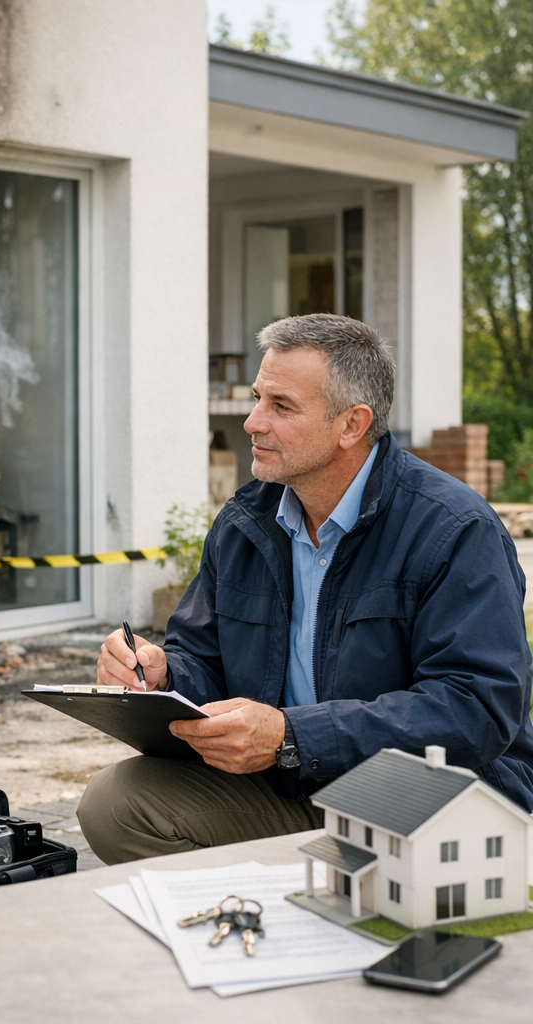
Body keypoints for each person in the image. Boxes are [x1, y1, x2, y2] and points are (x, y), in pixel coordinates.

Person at [78, 313, 533, 864]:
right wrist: (160, 674)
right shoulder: (245, 522)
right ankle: (281, 907)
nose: (252, 421)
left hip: (426, 798)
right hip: (294, 784)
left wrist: (295, 735)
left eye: (281, 406)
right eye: (256, 398)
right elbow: (200, 656)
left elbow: (476, 709)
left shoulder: (454, 530)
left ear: (351, 425)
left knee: (378, 877)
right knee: (116, 803)